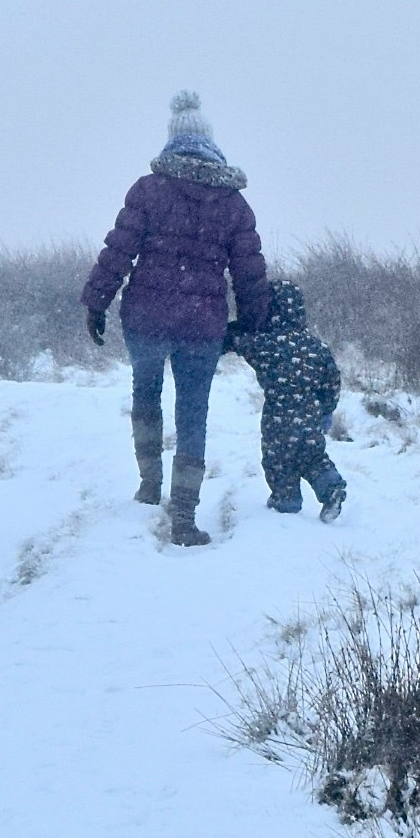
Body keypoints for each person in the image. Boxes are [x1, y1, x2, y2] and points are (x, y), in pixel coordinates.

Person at [82, 91, 267, 547]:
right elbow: (249, 272)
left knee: (146, 394)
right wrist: (252, 323)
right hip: (201, 326)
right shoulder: (233, 205)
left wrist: (97, 300)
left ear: (172, 141)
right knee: (193, 413)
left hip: (145, 316)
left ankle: (149, 484)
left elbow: (119, 249)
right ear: (211, 143)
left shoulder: (149, 190)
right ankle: (183, 515)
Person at [228, 279, 346, 519]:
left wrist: (226, 334)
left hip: (279, 415)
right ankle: (331, 487)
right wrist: (326, 410)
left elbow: (236, 341)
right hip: (311, 414)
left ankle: (286, 501)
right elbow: (332, 380)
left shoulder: (265, 343)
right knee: (313, 457)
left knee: (279, 461)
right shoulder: (316, 346)